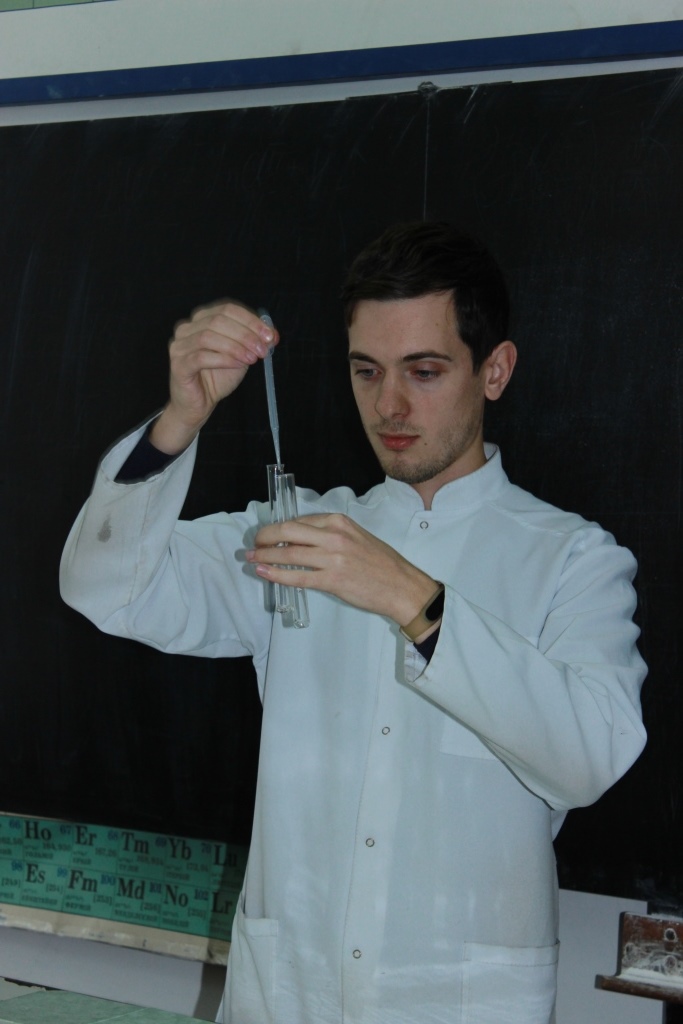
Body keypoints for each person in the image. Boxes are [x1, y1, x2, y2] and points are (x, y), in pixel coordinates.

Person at [60, 222, 647, 1024]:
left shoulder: (574, 559)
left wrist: (413, 599)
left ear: (495, 370)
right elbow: (106, 589)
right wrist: (178, 420)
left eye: (424, 371)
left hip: (460, 1002)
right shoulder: (293, 535)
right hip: (285, 994)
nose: (389, 405)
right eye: (366, 371)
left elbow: (588, 758)